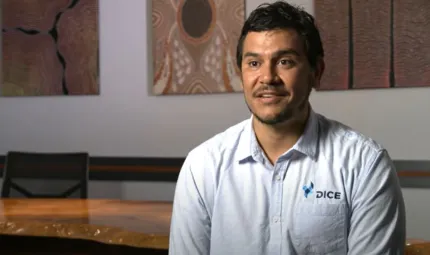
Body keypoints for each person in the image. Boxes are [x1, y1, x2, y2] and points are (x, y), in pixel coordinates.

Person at [168, 1, 406, 254]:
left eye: (285, 61)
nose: (268, 77)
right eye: (254, 63)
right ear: (241, 73)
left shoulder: (365, 164)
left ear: (317, 71)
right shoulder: (202, 165)